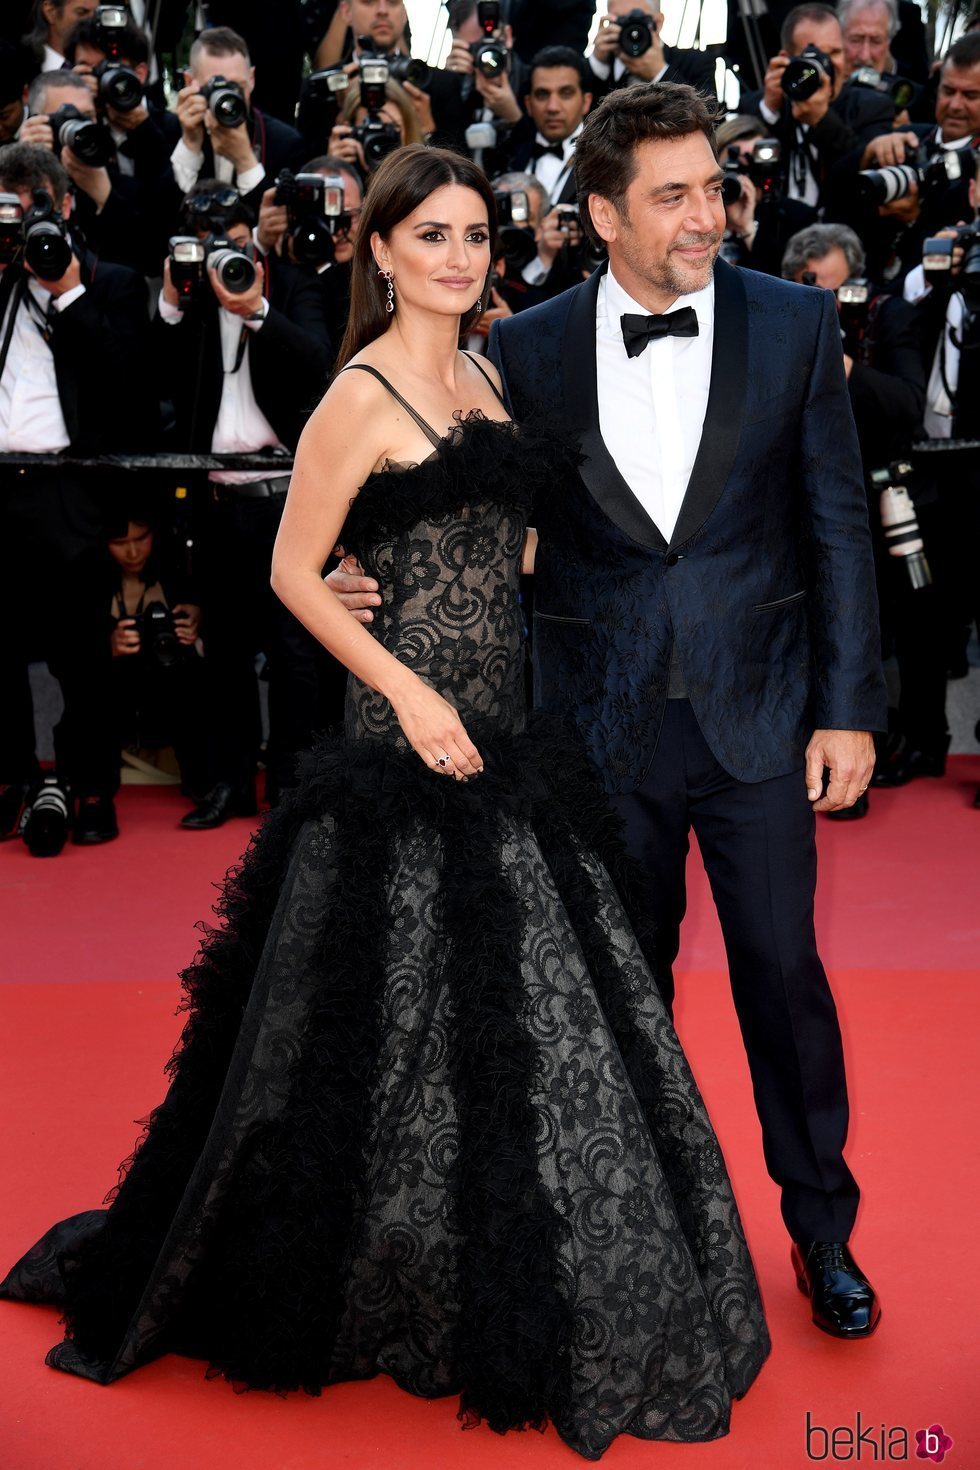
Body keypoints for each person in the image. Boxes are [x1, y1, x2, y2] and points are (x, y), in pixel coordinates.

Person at [0, 143, 769, 1459]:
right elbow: (296, 574)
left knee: (505, 1019)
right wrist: (405, 688)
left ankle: (466, 1261)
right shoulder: (355, 391)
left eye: (477, 235)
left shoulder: (485, 370)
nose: (461, 259)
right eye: (433, 238)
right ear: (381, 250)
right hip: (401, 736)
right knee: (381, 1010)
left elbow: (503, 541)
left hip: (510, 737)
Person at [333, 82, 885, 1337]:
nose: (706, 215)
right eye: (673, 195)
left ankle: (820, 1233)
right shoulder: (517, 353)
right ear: (599, 213)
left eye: (713, 186)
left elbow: (838, 529)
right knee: (614, 993)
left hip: (757, 723)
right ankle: (645, 1239)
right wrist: (354, 566)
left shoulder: (795, 324)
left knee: (782, 982)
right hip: (590, 726)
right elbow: (433, 486)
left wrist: (848, 708)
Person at [0, 142, 153, 854]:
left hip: (70, 489)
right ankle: (11, 782)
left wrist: (64, 287)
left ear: (63, 206)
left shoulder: (110, 282)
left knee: (83, 656)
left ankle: (92, 786)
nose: (25, 224)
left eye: (35, 207)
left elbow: (126, 386)